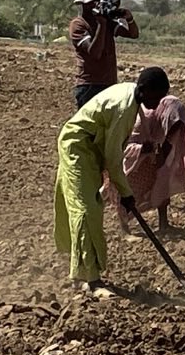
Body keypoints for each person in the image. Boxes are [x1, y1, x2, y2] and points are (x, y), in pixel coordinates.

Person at [54, 66, 170, 292]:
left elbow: (111, 154)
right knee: (85, 210)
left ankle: (83, 273)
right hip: (77, 147)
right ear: (144, 90)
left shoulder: (132, 96)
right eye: (156, 98)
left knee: (90, 208)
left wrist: (124, 191)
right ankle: (90, 280)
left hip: (89, 149)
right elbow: (113, 159)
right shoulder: (124, 108)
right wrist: (126, 193)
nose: (156, 105)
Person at [117, 91, 185, 231]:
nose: (177, 128)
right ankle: (124, 226)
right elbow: (125, 144)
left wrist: (164, 158)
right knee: (130, 189)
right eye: (174, 125)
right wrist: (142, 149)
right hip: (137, 158)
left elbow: (171, 140)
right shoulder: (142, 119)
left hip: (155, 152)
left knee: (163, 181)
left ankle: (163, 223)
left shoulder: (172, 113)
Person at [68, 0, 139, 108]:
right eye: (91, 2)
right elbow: (95, 53)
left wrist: (129, 19)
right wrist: (101, 25)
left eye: (97, 1)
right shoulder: (78, 25)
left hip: (109, 83)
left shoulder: (107, 23)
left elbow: (133, 34)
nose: (95, 5)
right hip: (89, 85)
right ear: (83, 4)